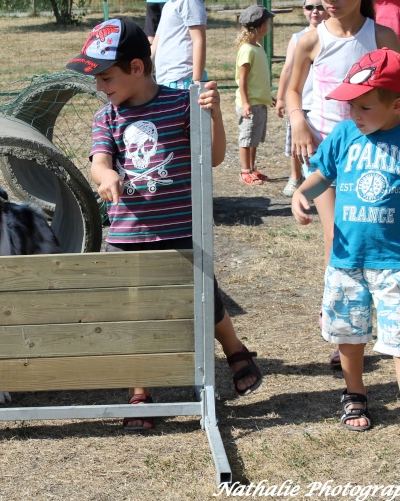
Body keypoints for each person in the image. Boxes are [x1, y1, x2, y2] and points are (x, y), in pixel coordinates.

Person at [66, 18, 263, 431]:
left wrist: (216, 115)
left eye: (107, 77)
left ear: (137, 68)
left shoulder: (180, 104)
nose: (101, 87)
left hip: (180, 227)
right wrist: (106, 178)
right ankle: (140, 388)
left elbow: (213, 156)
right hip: (127, 233)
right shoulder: (107, 118)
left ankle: (234, 350)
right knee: (134, 312)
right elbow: (100, 161)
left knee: (203, 296)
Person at [291, 48, 400, 455]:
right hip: (346, 259)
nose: (354, 112)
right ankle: (355, 394)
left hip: (394, 261)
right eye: (350, 104)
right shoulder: (343, 134)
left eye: (364, 105)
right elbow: (322, 174)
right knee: (349, 336)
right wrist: (301, 195)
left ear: (398, 105)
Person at [285, 0, 400, 369]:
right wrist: (298, 119)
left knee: (369, 239)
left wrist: (390, 129)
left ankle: (368, 317)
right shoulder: (310, 39)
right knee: (336, 236)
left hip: (372, 159)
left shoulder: (381, 35)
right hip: (329, 158)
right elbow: (292, 90)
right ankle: (343, 323)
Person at [274, 0, 329, 197]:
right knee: (296, 145)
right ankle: (295, 177)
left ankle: (320, 179)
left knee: (320, 144)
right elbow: (287, 69)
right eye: (309, 7)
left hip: (323, 102)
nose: (315, 11)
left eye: (319, 6)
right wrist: (281, 98)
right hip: (301, 102)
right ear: (304, 10)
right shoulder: (297, 38)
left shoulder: (332, 35)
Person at [235, 5, 274, 186]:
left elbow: (258, 78)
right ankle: (245, 171)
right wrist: (245, 103)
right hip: (249, 103)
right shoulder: (247, 50)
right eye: (267, 23)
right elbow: (242, 80)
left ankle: (252, 168)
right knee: (246, 137)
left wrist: (267, 95)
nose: (269, 26)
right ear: (259, 26)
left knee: (254, 138)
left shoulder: (257, 47)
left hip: (259, 102)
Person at [151, 0, 207, 90]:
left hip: (182, 80)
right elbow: (155, 45)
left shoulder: (189, 2)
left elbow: (198, 40)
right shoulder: (168, 5)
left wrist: (196, 81)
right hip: (165, 80)